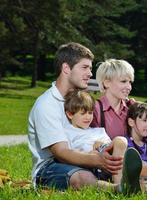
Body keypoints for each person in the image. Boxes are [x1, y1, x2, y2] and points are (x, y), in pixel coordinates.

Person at [27, 42, 140, 193]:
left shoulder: (78, 100)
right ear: (66, 68)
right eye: (85, 67)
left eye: (90, 68)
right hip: (50, 167)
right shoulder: (46, 104)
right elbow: (61, 152)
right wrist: (97, 160)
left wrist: (104, 153)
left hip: (83, 157)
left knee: (129, 165)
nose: (90, 74)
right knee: (83, 177)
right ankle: (118, 189)